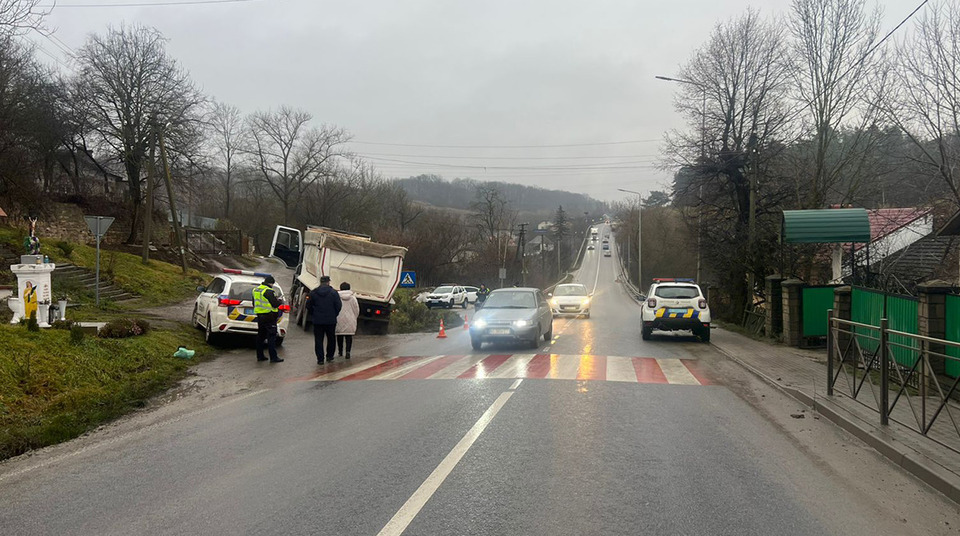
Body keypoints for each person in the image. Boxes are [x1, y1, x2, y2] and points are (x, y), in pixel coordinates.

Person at [309, 275, 342, 363]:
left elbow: (308, 306)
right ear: (328, 282)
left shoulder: (313, 293)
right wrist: (334, 314)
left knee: (318, 340)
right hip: (330, 320)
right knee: (331, 339)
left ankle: (320, 359)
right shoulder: (334, 293)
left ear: (321, 282)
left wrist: (314, 314)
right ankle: (330, 356)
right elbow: (338, 306)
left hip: (318, 320)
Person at [253, 275, 283, 363]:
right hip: (269, 316)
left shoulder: (256, 290)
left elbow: (254, 303)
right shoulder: (268, 291)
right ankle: (273, 357)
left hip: (260, 315)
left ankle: (260, 356)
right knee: (271, 336)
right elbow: (274, 304)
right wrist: (279, 301)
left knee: (261, 336)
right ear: (271, 283)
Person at [336, 282, 360, 359]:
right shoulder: (353, 298)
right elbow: (356, 309)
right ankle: (348, 351)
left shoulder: (337, 297)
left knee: (339, 335)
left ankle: (340, 351)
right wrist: (354, 317)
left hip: (339, 318)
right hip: (350, 319)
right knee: (349, 336)